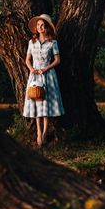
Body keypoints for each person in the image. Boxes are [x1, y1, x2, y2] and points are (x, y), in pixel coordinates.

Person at [23, 14, 65, 147]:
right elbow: (27, 59)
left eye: (42, 25)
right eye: (38, 25)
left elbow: (57, 60)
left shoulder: (52, 42)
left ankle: (45, 132)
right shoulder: (32, 42)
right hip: (35, 75)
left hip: (48, 75)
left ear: (46, 27)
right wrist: (31, 69)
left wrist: (46, 68)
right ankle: (38, 132)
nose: (40, 27)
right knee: (36, 101)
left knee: (45, 104)